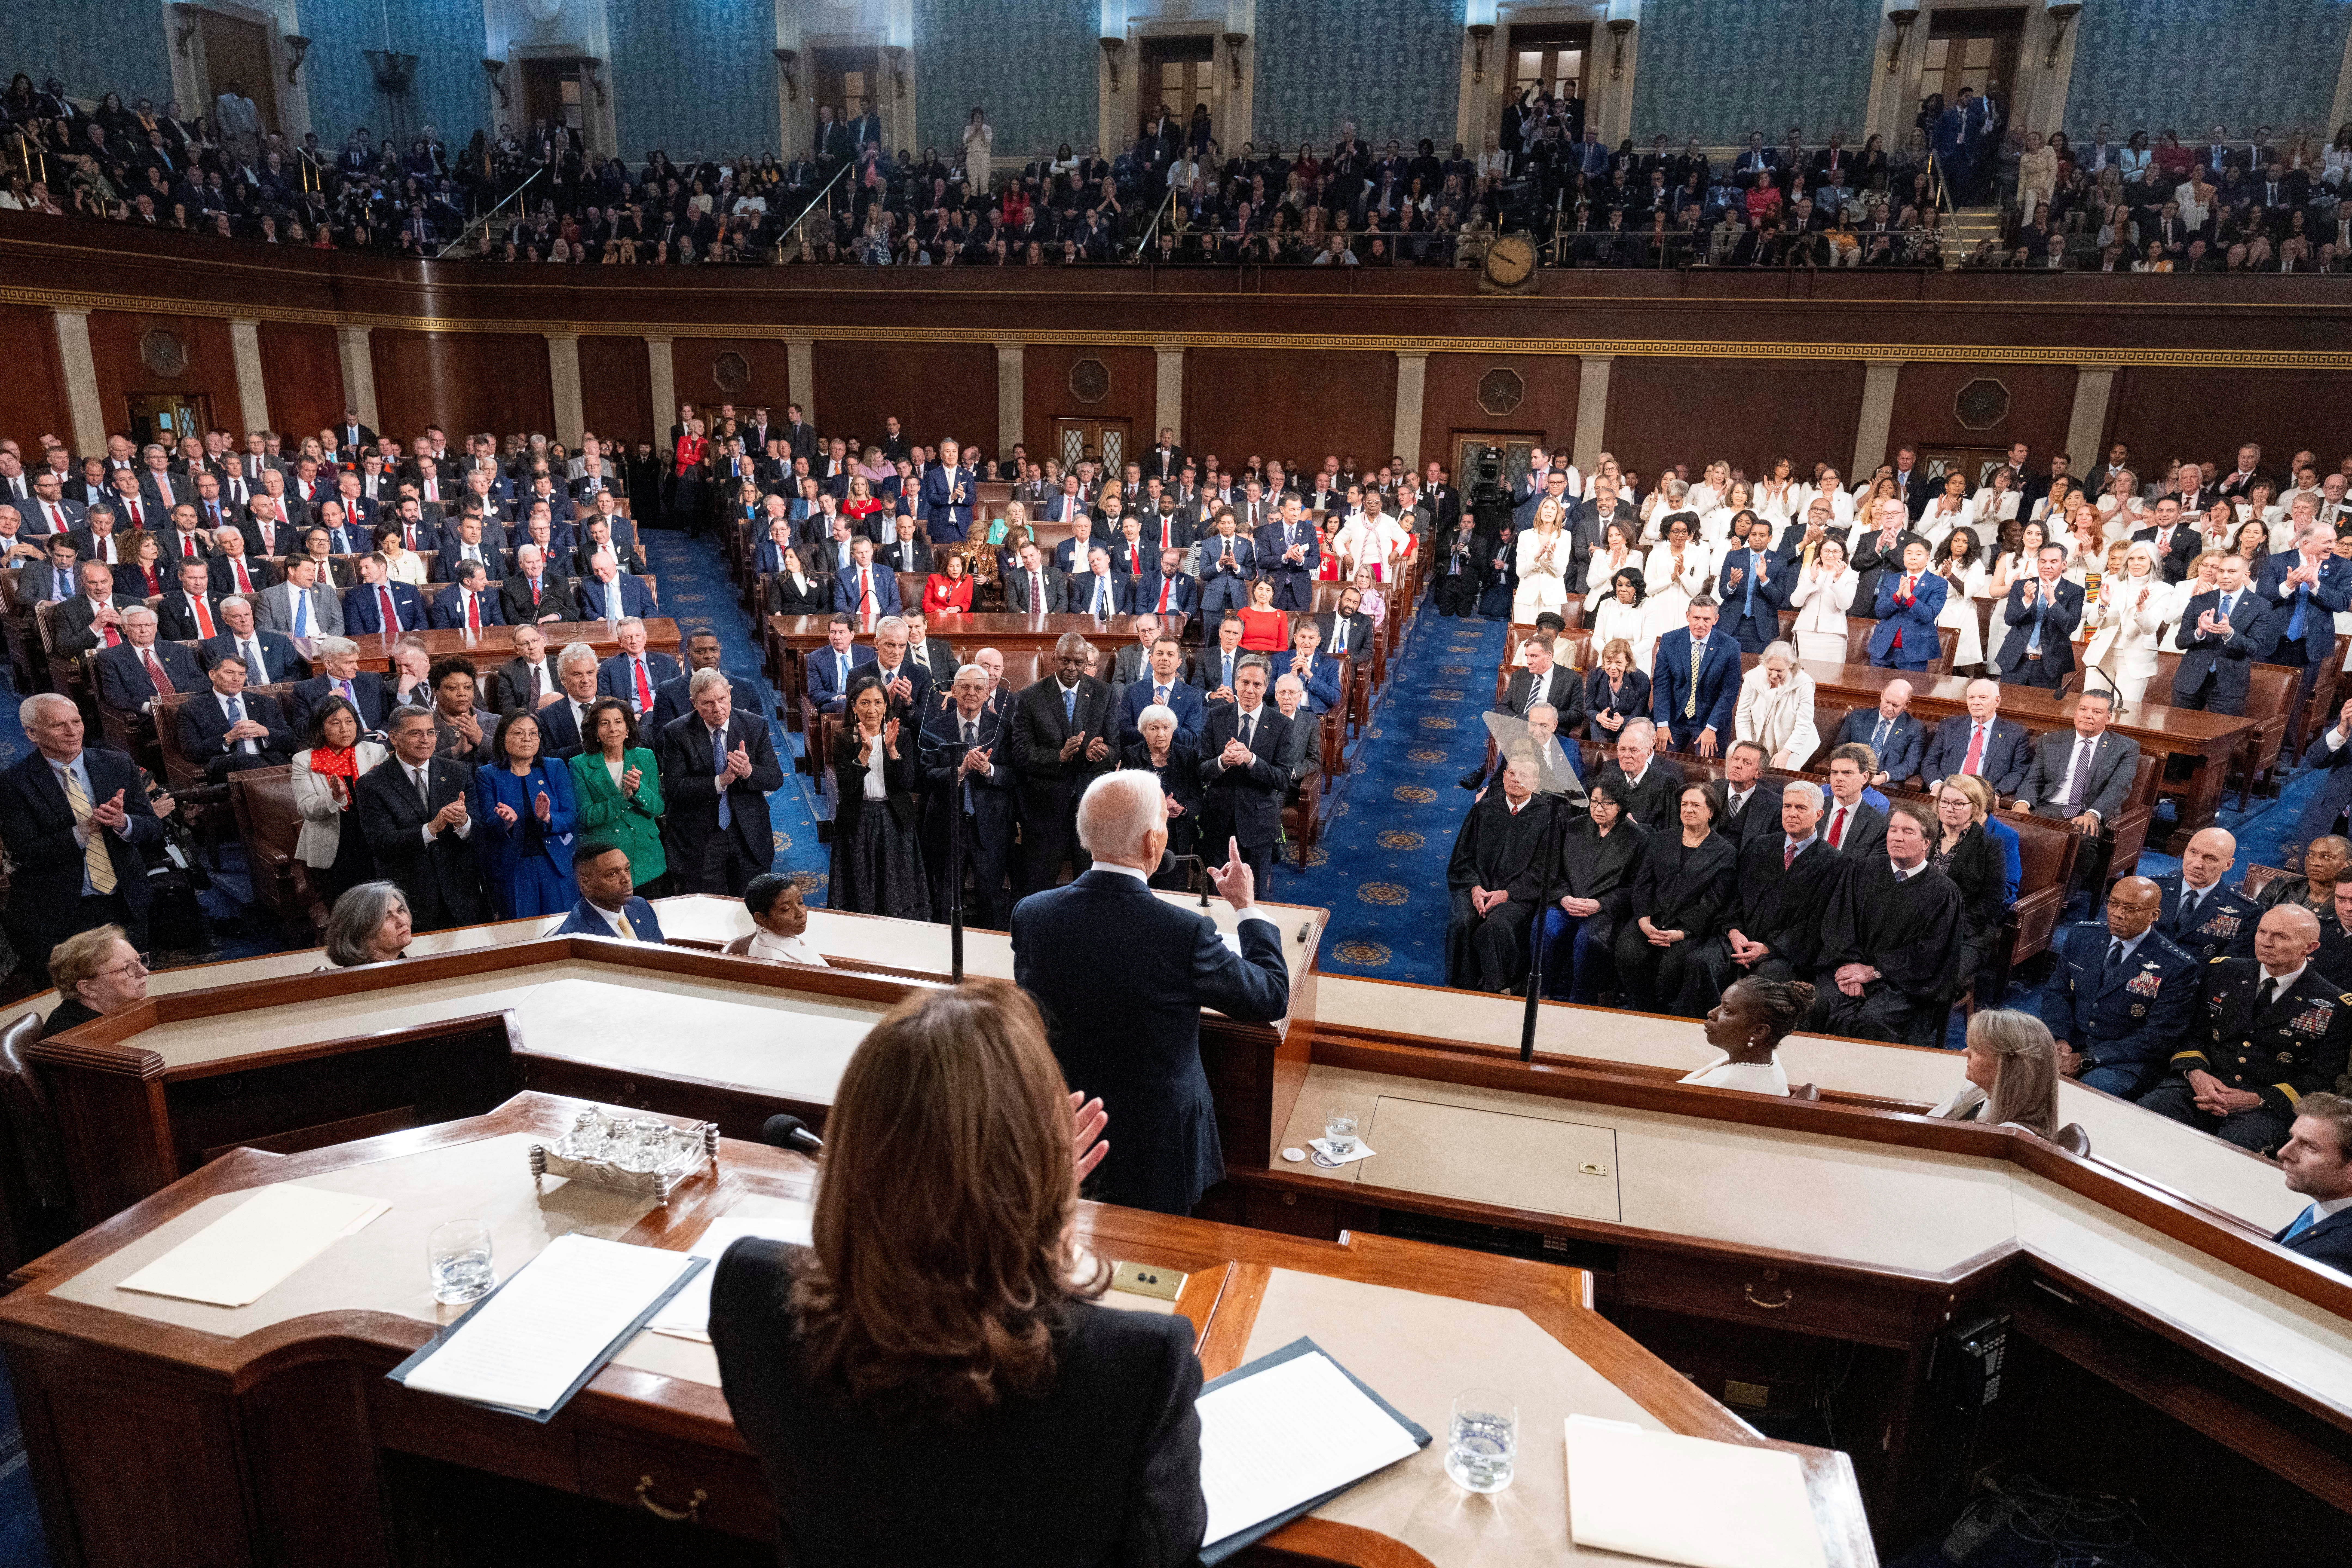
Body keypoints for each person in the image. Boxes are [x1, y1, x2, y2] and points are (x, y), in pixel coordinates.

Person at [708, 980, 1207, 1566]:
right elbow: (1168, 1550)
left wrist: (1035, 1202)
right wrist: (1047, 1221)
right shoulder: (1138, 1365)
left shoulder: (748, 1292)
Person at [1010, 773, 1290, 1215]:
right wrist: (1246, 907)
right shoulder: (1183, 933)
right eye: (1162, 821)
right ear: (1151, 843)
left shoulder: (1031, 915)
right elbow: (1270, 995)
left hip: (1065, 1131)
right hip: (1159, 1148)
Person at [2137, 904, 2352, 1152]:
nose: (2266, 942)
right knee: (2146, 1117)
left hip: (2266, 1107)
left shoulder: (2335, 1004)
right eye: (2262, 932)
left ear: (2310, 948)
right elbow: (2194, 1033)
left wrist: (2259, 1099)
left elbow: (2322, 1078)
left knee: (2231, 1154)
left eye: (2280, 937)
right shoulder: (2223, 971)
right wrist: (2195, 1073)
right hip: (2201, 1087)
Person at [0, 695, 164, 972]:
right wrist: (83, 832)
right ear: (31, 733)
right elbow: (26, 854)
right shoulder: (13, 784)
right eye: (58, 725)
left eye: (76, 721)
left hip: (124, 901)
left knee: (133, 982)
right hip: (63, 910)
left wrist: (123, 823)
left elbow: (152, 826)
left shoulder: (117, 764)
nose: (73, 731)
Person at [1680, 780, 1843, 1016]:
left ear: (1819, 814)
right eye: (1787, 807)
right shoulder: (1760, 846)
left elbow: (1818, 922)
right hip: (1740, 937)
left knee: (1763, 981)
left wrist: (1770, 948)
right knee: (1702, 962)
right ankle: (1694, 1031)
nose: (1792, 814)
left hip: (1785, 952)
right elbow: (1735, 896)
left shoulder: (1834, 864)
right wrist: (1733, 930)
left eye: (1801, 808)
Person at [1813, 802, 1963, 1046]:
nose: (1897, 838)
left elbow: (1930, 955)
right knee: (1817, 1004)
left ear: (1927, 843)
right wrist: (1853, 970)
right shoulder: (1861, 871)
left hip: (1903, 986)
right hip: (1848, 970)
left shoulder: (1944, 894)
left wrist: (1873, 972)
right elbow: (1839, 926)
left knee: (1873, 1021)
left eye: (1908, 832)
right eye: (1893, 830)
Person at [2038, 877, 2200, 1098]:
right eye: (2113, 903)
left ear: (2154, 916)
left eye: (2131, 908)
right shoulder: (2082, 936)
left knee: (2082, 1095)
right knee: (2010, 1064)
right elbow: (2058, 993)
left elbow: (2158, 1036)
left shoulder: (2177, 966)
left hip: (2124, 1059)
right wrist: (2059, 1039)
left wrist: (2088, 1058)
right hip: (2070, 1041)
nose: (2118, 913)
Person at [355, 706, 485, 932]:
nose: (426, 740)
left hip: (462, 890)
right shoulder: (372, 784)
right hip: (411, 896)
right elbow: (381, 844)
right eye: (416, 733)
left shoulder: (458, 772)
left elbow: (481, 833)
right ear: (394, 738)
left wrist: (464, 823)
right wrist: (431, 829)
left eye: (431, 732)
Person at [658, 668, 783, 895]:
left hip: (747, 834)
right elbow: (675, 789)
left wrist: (748, 771)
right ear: (694, 703)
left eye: (722, 699)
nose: (717, 709)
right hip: (701, 837)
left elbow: (775, 779)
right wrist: (721, 781)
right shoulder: (676, 732)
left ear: (730, 693)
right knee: (709, 910)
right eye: (707, 703)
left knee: (752, 906)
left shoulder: (755, 725)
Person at [1614, 782, 1738, 1012]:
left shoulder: (1725, 852)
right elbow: (1643, 885)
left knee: (1672, 966)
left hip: (1690, 925)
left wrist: (1683, 933)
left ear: (1711, 813)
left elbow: (1714, 902)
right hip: (1652, 916)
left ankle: (1664, 1014)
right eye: (1684, 804)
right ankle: (1638, 1009)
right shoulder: (1661, 839)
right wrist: (1643, 919)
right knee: (1629, 950)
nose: (1688, 809)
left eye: (1696, 805)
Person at [1010, 633, 1116, 895]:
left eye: (1079, 663)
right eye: (1066, 661)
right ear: (1054, 658)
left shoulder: (1104, 693)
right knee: (1037, 888)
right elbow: (1021, 753)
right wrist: (1058, 757)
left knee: (1091, 889)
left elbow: (1116, 749)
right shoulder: (1030, 696)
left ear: (1087, 662)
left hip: (1090, 806)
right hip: (1045, 808)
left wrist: (1098, 754)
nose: (1072, 669)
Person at [1444, 752, 1554, 993]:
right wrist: (1474, 887)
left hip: (1518, 896)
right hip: (1477, 888)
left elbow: (1543, 871)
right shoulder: (1484, 810)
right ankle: (1459, 987)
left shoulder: (1546, 818)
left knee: (1497, 927)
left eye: (1524, 776)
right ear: (1503, 777)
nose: (1516, 779)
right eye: (1512, 773)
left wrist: (1508, 894)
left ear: (1536, 784)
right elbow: (1463, 858)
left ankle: (1496, 989)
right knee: (1463, 920)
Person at [831, 678, 929, 917]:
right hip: (858, 820)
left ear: (886, 706)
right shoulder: (843, 738)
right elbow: (846, 787)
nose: (872, 710)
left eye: (878, 702)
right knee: (861, 889)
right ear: (854, 707)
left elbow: (908, 784)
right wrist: (865, 752)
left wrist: (893, 751)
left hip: (894, 819)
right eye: (865, 703)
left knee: (896, 888)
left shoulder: (902, 735)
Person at [471, 709, 577, 919]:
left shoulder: (555, 768)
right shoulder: (487, 775)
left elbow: (572, 817)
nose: (527, 739)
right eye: (519, 733)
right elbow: (486, 824)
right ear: (503, 738)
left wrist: (548, 818)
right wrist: (506, 822)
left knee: (563, 930)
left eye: (533, 733)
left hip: (556, 864)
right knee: (522, 934)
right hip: (513, 867)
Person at [1195, 657, 1290, 888]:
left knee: (1255, 897)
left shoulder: (1282, 724)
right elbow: (1201, 770)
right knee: (1218, 896)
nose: (1250, 690)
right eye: (1245, 682)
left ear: (1266, 688)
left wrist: (1251, 760)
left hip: (1259, 826)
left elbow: (1283, 779)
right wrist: (1222, 762)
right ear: (1235, 683)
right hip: (1219, 824)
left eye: (1257, 685)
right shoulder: (1216, 717)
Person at [290, 695, 388, 908]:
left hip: (373, 837)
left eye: (350, 721)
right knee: (348, 909)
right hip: (334, 843)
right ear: (320, 727)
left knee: (380, 905)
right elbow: (307, 809)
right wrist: (333, 797)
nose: (345, 729)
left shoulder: (375, 752)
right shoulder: (304, 761)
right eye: (336, 723)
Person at [568, 696, 667, 898]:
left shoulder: (646, 756)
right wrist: (622, 798)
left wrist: (640, 791)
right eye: (605, 723)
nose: (612, 729)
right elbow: (586, 816)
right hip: (607, 861)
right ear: (596, 731)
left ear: (628, 729)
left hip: (647, 857)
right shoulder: (579, 764)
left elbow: (658, 808)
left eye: (618, 722)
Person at [1927, 1010, 2061, 1137]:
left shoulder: (2013, 1135)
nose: (1965, 1052)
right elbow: (1930, 1124)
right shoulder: (1977, 1091)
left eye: (1976, 1049)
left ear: (2008, 1066)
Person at [1681, 977, 1818, 1095]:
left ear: (1759, 1031)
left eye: (1727, 1010)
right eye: (1721, 1004)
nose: (1711, 1013)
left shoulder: (1725, 1086)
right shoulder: (1770, 1061)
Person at [1121, 704, 1203, 891]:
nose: (1161, 734)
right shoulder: (1132, 756)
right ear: (1143, 731)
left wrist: (1182, 808)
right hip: (1143, 836)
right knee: (1143, 890)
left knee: (1176, 892)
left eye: (1166, 728)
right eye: (1154, 728)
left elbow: (1198, 800)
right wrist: (1158, 807)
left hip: (1177, 835)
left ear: (1173, 730)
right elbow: (1127, 800)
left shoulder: (1188, 756)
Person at [2170, 551, 2263, 712]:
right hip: (2190, 679)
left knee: (2222, 735)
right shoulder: (2200, 600)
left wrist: (2230, 633)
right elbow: (2180, 642)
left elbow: (2255, 647)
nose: (2224, 576)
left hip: (2229, 684)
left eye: (2232, 572)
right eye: (2221, 571)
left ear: (2246, 575)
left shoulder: (2260, 606)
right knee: (2176, 731)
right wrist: (2200, 632)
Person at [2080, 540, 2167, 710]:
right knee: (2092, 706)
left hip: (2137, 657)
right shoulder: (2112, 581)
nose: (2136, 563)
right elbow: (2093, 622)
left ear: (2153, 562)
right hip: (2102, 653)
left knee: (2126, 711)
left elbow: (2150, 629)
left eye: (2142, 558)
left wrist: (2141, 609)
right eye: (2132, 559)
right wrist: (2103, 605)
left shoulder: (2164, 590)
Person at [2152, 826, 2259, 960]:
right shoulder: (2152, 888)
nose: (2197, 864)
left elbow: (2229, 967)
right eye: (2193, 852)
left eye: (2210, 859)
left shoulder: (2245, 911)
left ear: (2228, 865)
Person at [2274, 1093, 2352, 1275]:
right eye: (2292, 1138)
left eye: (2310, 1147)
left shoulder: (2343, 1249)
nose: (2283, 1152)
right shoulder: (2328, 1206)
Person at [1651, 598, 1739, 756]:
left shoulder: (1730, 646)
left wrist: (1712, 728)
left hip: (1709, 719)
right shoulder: (1670, 640)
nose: (1701, 624)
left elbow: (1729, 693)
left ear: (1716, 620)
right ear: (1687, 616)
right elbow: (1662, 686)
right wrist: (1662, 724)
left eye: (1706, 619)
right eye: (1696, 618)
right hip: (1674, 717)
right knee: (1659, 763)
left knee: (1708, 767)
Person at [1920, 678, 2032, 797]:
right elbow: (1930, 762)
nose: (1976, 702)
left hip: (1984, 794)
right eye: (1971, 698)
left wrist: (1997, 793)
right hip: (1948, 790)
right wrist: (1937, 785)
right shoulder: (1949, 726)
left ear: (1997, 701)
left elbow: (2018, 772)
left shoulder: (2016, 733)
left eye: (1983, 698)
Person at [1992, 543, 2083, 688]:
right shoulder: (2021, 586)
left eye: (2054, 562)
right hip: (2016, 661)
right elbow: (2010, 620)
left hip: (2049, 665)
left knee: (2042, 708)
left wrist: (2052, 602)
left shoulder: (2075, 591)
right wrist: (2026, 601)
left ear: (2064, 564)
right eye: (2043, 561)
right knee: (2008, 706)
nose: (2047, 566)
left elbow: (2070, 626)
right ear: (2038, 562)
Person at [39, 924, 147, 1038]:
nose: (145, 972)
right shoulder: (74, 1038)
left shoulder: (123, 1013)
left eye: (138, 961)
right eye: (126, 968)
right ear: (88, 989)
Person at [554, 836, 667, 941]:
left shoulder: (640, 906)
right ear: (585, 884)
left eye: (627, 869)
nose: (626, 879)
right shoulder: (576, 938)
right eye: (612, 874)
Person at [1733, 642, 1818, 769]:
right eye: (1770, 670)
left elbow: (1804, 724)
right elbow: (1743, 717)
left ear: (1791, 666)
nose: (1774, 675)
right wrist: (1748, 747)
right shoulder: (1753, 679)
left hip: (1793, 742)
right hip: (1758, 738)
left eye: (1780, 671)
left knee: (1781, 775)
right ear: (1764, 664)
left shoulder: (1804, 684)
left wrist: (1786, 752)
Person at [1867, 539, 1946, 672]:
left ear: (1928, 558)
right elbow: (1880, 612)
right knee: (1875, 689)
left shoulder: (1938, 583)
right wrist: (1898, 595)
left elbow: (1929, 615)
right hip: (1883, 648)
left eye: (1919, 554)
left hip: (1915, 650)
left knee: (1909, 690)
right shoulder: (1891, 579)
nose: (1913, 557)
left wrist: (1910, 597)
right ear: (1904, 557)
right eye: (1909, 554)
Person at [1787, 534, 1857, 664]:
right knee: (1803, 676)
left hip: (1834, 636)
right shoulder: (1809, 572)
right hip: (1805, 633)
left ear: (1842, 554)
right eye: (1826, 551)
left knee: (1831, 678)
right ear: (1820, 552)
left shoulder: (1850, 575)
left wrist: (1837, 581)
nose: (1831, 556)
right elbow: (1796, 602)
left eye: (1836, 552)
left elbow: (1845, 605)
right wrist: (1812, 579)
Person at [732, 874, 828, 966]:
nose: (801, 913)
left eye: (800, 902)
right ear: (762, 919)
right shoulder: (776, 963)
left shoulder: (786, 932)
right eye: (786, 909)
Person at [320, 881, 412, 968]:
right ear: (359, 931)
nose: (402, 922)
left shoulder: (399, 963)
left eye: (400, 911)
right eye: (386, 917)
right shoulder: (363, 981)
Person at [1584, 638, 1650, 741]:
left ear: (1627, 661)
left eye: (1619, 663)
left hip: (1631, 723)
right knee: (1601, 747)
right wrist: (1598, 717)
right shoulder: (1594, 676)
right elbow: (1589, 709)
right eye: (1609, 662)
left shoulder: (1641, 680)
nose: (1613, 667)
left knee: (1623, 745)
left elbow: (1639, 714)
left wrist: (1623, 721)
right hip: (1602, 723)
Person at [2263, 835, 2346, 911]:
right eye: (2310, 855)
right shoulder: (2280, 887)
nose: (2315, 863)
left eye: (2326, 857)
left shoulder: (2349, 900)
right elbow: (2254, 923)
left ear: (2348, 865)